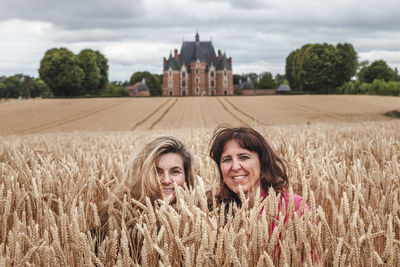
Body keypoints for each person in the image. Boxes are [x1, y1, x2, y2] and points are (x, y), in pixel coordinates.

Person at [209, 125, 310, 213]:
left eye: (244, 157)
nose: (235, 167)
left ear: (262, 162)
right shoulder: (216, 212)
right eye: (227, 159)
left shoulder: (295, 208)